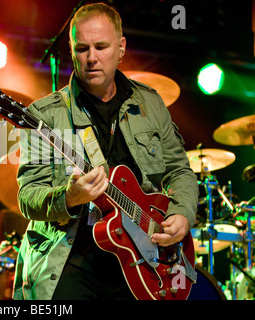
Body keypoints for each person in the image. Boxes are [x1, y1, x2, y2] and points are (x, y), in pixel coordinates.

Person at [12, 2, 198, 300]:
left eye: (101, 46)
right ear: (71, 50)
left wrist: (182, 215)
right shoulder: (43, 116)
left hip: (143, 255)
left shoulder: (151, 104)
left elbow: (179, 171)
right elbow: (28, 196)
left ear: (121, 48)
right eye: (82, 48)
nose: (91, 58)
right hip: (71, 254)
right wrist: (69, 197)